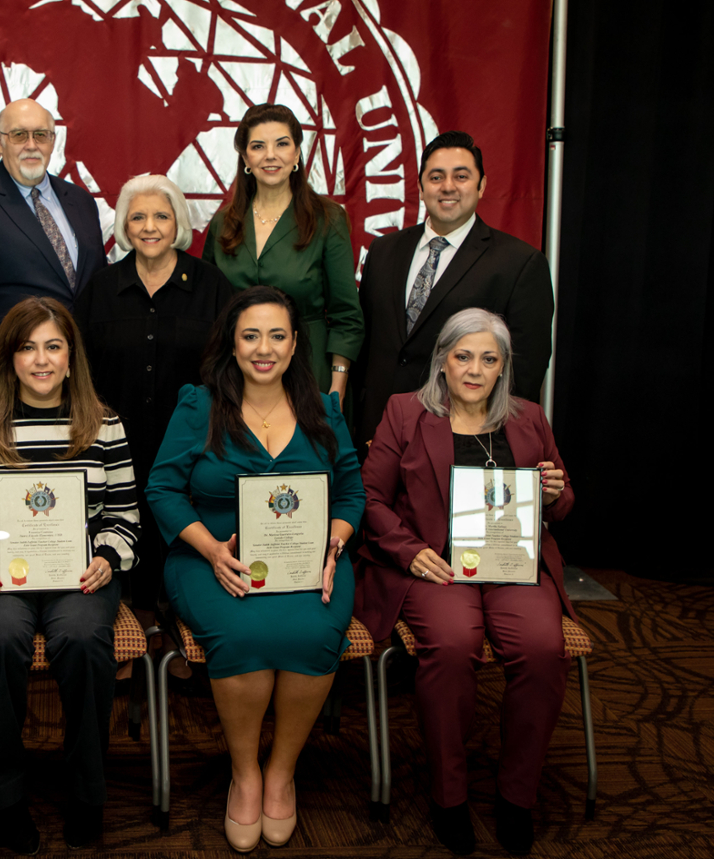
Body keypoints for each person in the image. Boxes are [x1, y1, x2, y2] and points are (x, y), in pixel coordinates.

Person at [146, 285, 364, 852]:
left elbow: (351, 495)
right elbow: (164, 489)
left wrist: (334, 548)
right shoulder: (199, 405)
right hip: (210, 559)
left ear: (295, 346)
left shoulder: (325, 408)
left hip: (310, 562)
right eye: (250, 336)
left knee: (314, 630)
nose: (263, 348)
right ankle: (245, 772)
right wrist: (212, 549)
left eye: (276, 335)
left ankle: (281, 771)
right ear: (232, 345)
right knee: (242, 633)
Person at [355, 307, 574, 856]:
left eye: (488, 359)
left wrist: (554, 493)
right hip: (439, 567)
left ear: (503, 368)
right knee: (452, 646)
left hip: (513, 567)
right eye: (463, 356)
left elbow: (563, 502)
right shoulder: (406, 413)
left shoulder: (528, 418)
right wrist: (411, 552)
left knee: (543, 648)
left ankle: (516, 796)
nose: (474, 369)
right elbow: (369, 499)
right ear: (443, 361)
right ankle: (448, 796)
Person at [0, 297, 139, 852]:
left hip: (82, 577)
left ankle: (86, 793)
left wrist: (108, 555)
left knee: (80, 636)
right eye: (27, 347)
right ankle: (2, 796)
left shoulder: (105, 424)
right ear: (9, 358)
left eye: (53, 346)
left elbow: (125, 516)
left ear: (72, 359)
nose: (41, 360)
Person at [75, 174, 234, 619]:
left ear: (179, 223)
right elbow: (80, 367)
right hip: (113, 441)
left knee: (179, 529)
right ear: (124, 226)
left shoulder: (211, 286)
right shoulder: (100, 289)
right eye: (138, 216)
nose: (150, 226)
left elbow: (227, 365)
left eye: (161, 216)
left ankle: (175, 627)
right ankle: (128, 625)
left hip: (191, 442)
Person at [353, 130, 555, 450]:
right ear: (420, 187)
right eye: (436, 177)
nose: (448, 186)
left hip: (460, 442)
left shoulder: (520, 263)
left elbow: (524, 371)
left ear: (481, 185)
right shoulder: (383, 251)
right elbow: (366, 347)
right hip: (375, 435)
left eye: (461, 176)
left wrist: (488, 441)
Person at [0, 98, 107, 408]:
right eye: (18, 135)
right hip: (6, 388)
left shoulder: (80, 201)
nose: (31, 145)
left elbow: (92, 289)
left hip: (82, 382)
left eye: (40, 135)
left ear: (53, 141)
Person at [202, 103, 363, 406]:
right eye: (258, 146)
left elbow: (346, 316)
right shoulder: (224, 223)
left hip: (311, 374)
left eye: (282, 144)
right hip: (236, 377)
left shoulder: (328, 219)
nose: (270, 155)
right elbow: (207, 306)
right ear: (246, 158)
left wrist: (337, 387)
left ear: (297, 154)